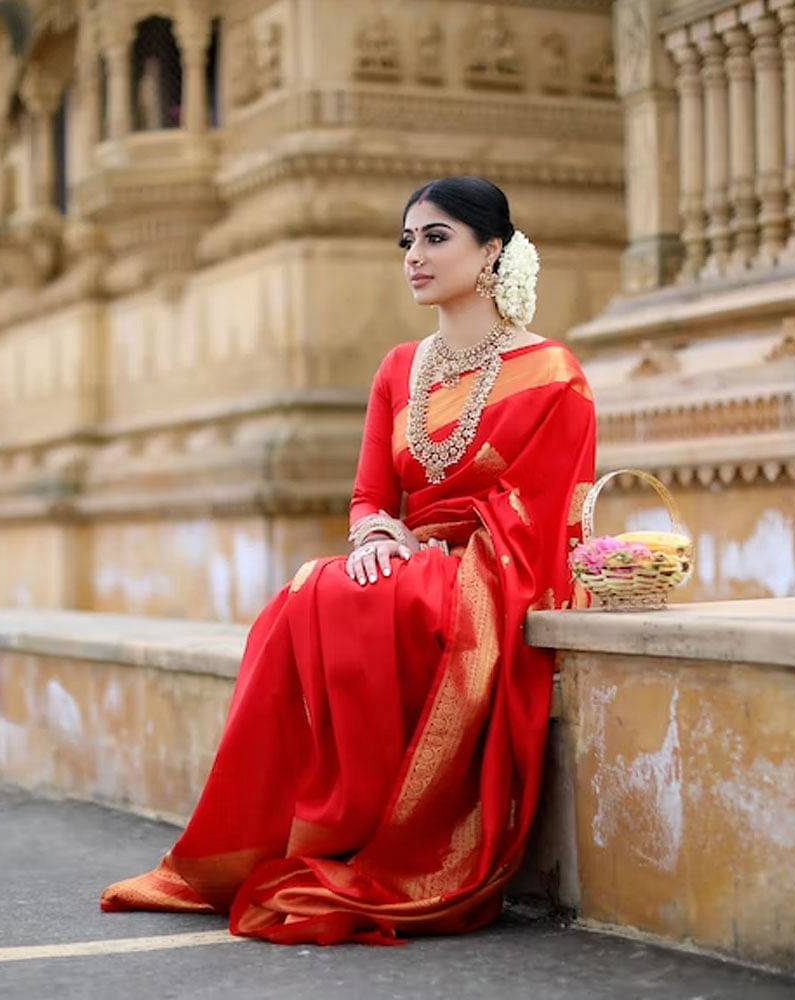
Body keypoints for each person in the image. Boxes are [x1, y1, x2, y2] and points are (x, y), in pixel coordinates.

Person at [101, 176, 596, 945]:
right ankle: (288, 837)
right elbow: (370, 496)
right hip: (409, 560)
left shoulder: (552, 373)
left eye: (436, 238)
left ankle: (372, 837)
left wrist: (430, 547)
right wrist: (375, 537)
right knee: (311, 591)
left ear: (492, 249)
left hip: (493, 568)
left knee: (378, 596)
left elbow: (549, 510)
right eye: (407, 242)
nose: (415, 257)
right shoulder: (401, 367)